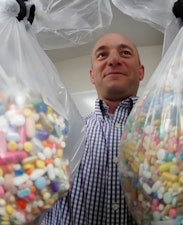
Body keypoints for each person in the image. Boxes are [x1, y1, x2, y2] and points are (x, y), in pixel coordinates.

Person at [42, 32, 145, 225]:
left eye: (125, 53)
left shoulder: (165, 133)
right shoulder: (62, 134)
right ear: (91, 75)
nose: (114, 60)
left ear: (141, 71)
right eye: (102, 55)